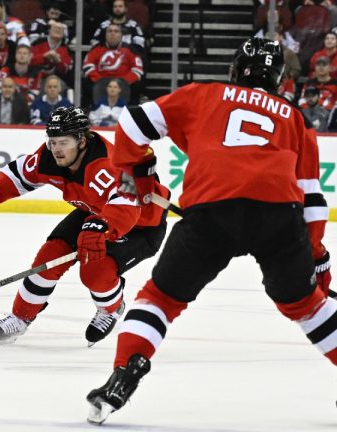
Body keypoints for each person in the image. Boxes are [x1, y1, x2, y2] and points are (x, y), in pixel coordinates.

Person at [85, 37, 337, 425]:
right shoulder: (295, 117)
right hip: (278, 214)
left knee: (160, 299)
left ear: (235, 70)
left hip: (213, 211)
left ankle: (124, 373)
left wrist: (141, 171)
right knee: (307, 307)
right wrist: (317, 258)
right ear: (279, 79)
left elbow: (132, 123)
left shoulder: (204, 94)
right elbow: (313, 199)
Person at [0, 106, 168, 346]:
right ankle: (20, 318)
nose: (56, 149)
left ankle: (111, 308)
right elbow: (16, 178)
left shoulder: (109, 163)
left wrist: (100, 226)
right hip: (94, 213)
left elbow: (127, 203)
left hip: (141, 224)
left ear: (82, 140)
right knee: (50, 255)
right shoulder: (48, 157)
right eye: (52, 141)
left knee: (95, 271)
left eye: (63, 142)